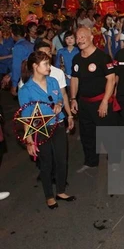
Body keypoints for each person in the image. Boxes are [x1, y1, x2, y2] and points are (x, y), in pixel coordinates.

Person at [18, 51, 76, 209]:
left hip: (58, 124)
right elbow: (26, 116)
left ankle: (61, 190)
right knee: (46, 162)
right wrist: (29, 141)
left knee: (61, 159)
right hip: (40, 129)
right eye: (46, 64)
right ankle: (49, 195)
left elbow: (59, 97)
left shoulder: (53, 81)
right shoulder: (26, 90)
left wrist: (59, 104)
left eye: (49, 63)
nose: (49, 67)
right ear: (35, 66)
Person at [70, 27, 118, 173]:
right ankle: (91, 161)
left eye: (83, 36)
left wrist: (104, 102)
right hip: (84, 103)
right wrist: (73, 98)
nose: (80, 40)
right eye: (78, 37)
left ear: (91, 37)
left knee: (107, 133)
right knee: (86, 134)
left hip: (100, 102)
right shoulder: (77, 58)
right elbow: (74, 79)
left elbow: (111, 80)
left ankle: (115, 160)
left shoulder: (103, 57)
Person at [9, 24, 34, 96]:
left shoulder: (18, 47)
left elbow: (16, 66)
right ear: (25, 34)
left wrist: (14, 84)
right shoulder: (31, 44)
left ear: (13, 35)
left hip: (25, 77)